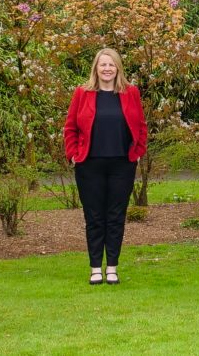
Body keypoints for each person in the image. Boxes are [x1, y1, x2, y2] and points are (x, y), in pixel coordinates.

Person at [64, 48, 148, 285]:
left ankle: (112, 267)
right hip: (89, 165)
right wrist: (73, 154)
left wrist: (138, 152)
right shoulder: (82, 93)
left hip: (122, 164)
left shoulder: (131, 93)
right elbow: (70, 127)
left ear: (118, 67)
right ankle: (95, 269)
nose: (107, 69)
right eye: (103, 65)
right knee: (94, 218)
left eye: (111, 65)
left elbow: (141, 126)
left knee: (115, 217)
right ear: (96, 68)